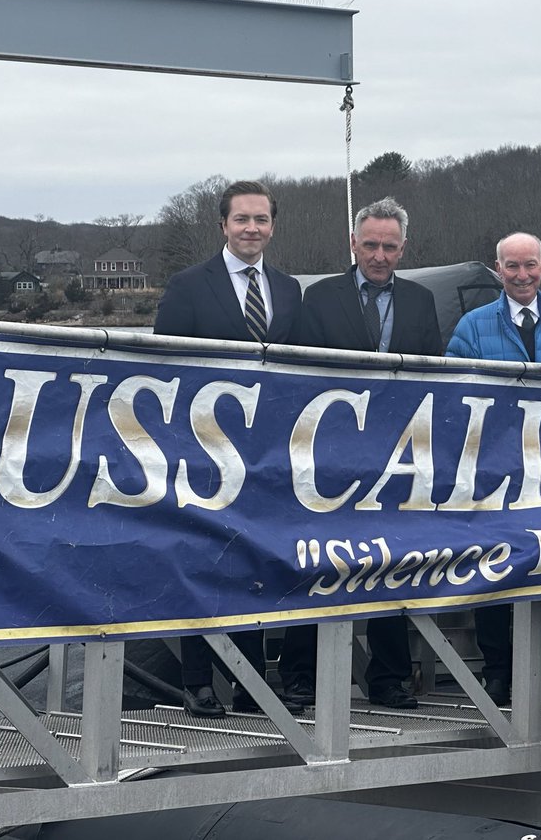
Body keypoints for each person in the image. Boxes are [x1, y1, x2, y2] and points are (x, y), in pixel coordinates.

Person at [281, 196, 441, 710]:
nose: (379, 255)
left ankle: (389, 678)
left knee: (388, 562)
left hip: (396, 455)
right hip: (327, 453)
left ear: (403, 248)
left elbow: (431, 376)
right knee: (315, 562)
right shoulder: (319, 298)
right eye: (369, 244)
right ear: (353, 243)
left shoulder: (420, 301)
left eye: (389, 246)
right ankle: (300, 675)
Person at [154, 179, 304, 718]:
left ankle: (250, 686)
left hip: (266, 456)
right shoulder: (188, 286)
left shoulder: (288, 290)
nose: (252, 229)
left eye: (261, 220)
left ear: (272, 226)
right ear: (223, 225)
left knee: (254, 564)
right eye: (242, 219)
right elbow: (161, 371)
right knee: (202, 561)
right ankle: (198, 683)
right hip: (200, 451)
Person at [446, 232, 541, 706]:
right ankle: (497, 669)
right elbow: (451, 392)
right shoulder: (471, 326)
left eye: (530, 265)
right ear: (498, 269)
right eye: (512, 266)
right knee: (494, 570)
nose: (522, 275)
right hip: (494, 473)